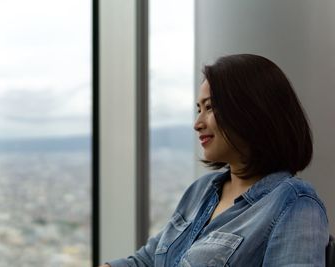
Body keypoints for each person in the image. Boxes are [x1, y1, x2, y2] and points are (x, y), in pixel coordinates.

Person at [100, 54, 329, 266]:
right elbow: (147, 261)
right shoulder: (201, 190)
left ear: (252, 110)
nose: (197, 123)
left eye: (209, 108)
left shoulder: (294, 203)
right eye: (198, 109)